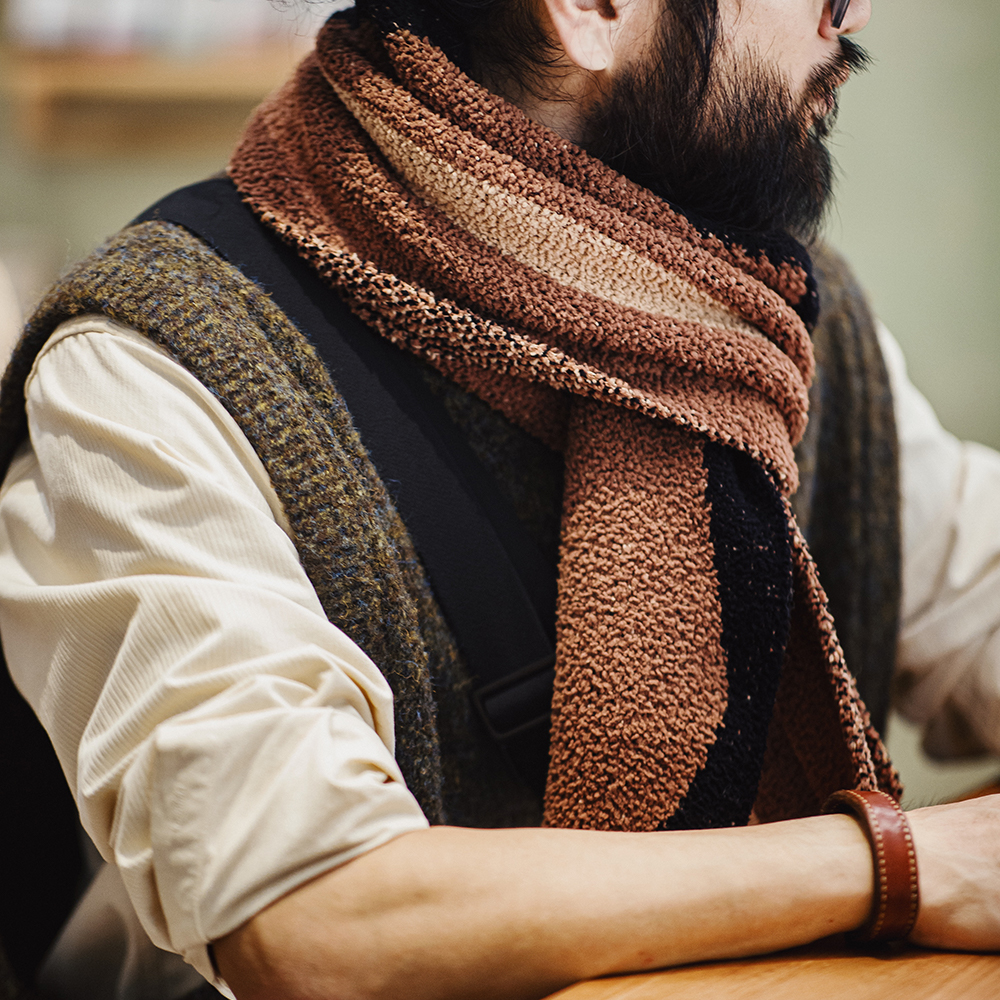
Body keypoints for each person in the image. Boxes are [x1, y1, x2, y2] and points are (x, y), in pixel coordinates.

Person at [1, 1, 1000, 998]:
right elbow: (314, 920)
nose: (852, 9)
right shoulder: (149, 369)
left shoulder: (758, 323)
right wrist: (895, 863)